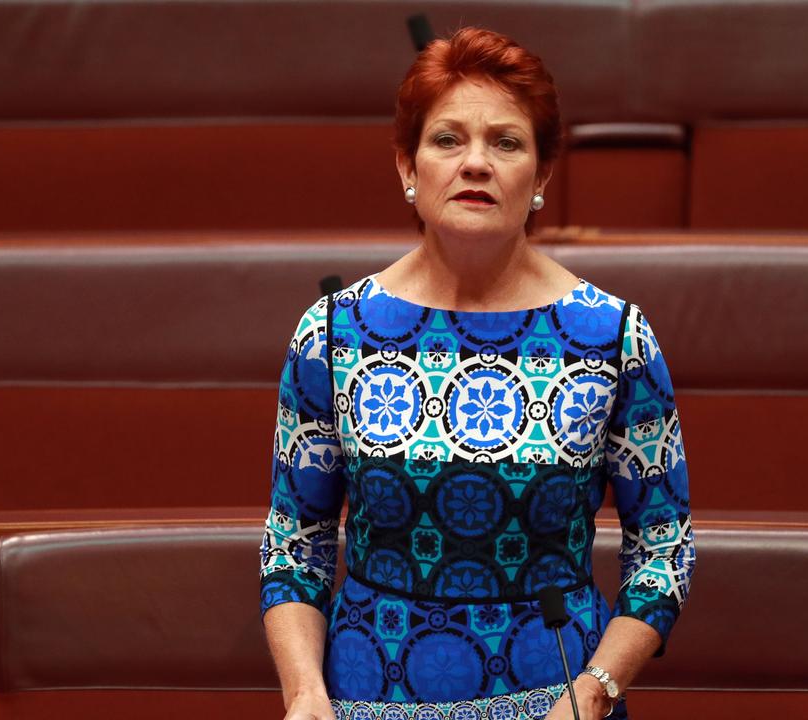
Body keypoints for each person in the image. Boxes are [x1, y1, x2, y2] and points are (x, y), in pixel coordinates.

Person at [259, 27, 694, 720]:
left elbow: (663, 550)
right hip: (366, 697)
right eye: (448, 140)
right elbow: (296, 546)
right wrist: (305, 694)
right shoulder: (334, 335)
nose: (476, 164)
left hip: (557, 700)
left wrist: (596, 690)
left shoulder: (613, 337)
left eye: (507, 142)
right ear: (407, 165)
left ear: (543, 175)